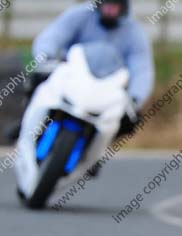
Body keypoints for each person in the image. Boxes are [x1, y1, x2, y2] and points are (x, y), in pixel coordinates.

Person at [14, 0, 154, 141]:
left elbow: (141, 69)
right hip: (70, 77)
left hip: (106, 90)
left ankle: (95, 146)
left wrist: (136, 97)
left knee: (129, 120)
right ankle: (26, 122)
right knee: (38, 79)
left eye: (115, 4)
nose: (111, 8)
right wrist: (46, 56)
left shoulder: (134, 32)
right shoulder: (79, 15)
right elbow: (53, 36)